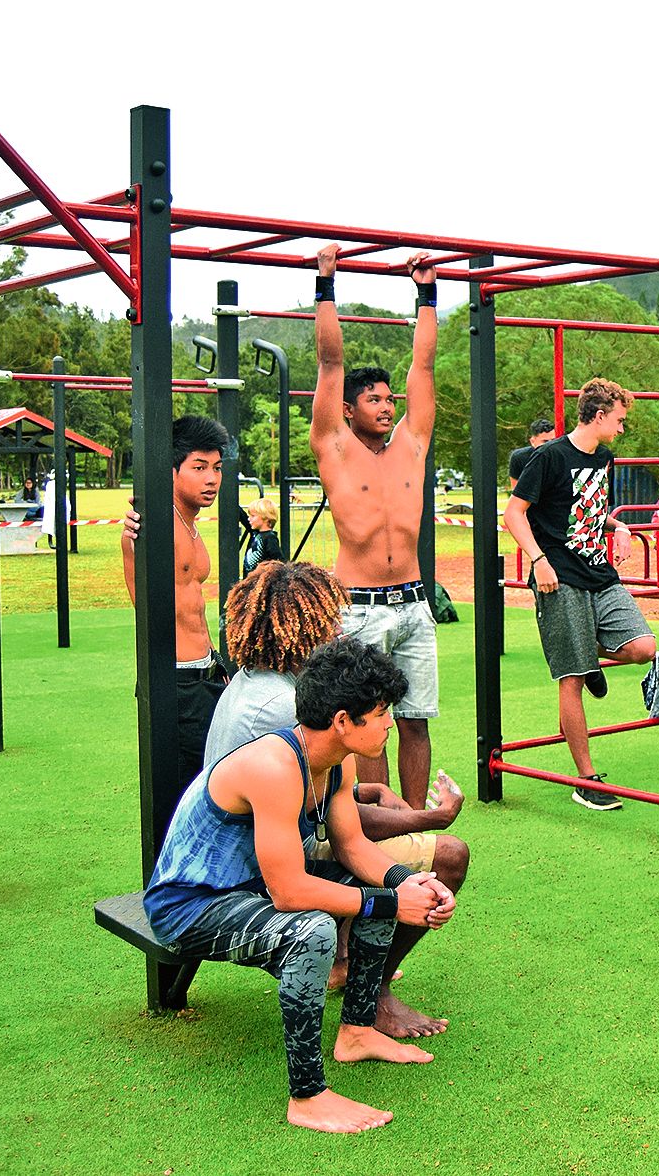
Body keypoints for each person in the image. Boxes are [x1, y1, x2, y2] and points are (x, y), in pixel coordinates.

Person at [144, 637, 455, 1134]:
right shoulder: (275, 766)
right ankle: (307, 1096)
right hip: (191, 906)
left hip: (251, 889)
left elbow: (353, 847)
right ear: (341, 721)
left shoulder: (335, 759)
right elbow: (290, 893)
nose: (390, 724)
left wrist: (408, 882)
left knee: (374, 891)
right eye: (379, 714)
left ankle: (356, 1031)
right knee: (312, 930)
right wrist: (394, 902)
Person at [205, 560, 471, 1039]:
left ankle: (348, 964)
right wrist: (429, 817)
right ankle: (374, 998)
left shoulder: (259, 681)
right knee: (446, 857)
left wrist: (370, 791)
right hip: (253, 873)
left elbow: (324, 800)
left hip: (265, 849)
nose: (336, 630)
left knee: (387, 869)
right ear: (304, 626)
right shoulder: (284, 708)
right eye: (329, 619)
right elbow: (340, 832)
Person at [310, 242, 440, 809]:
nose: (387, 407)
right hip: (357, 605)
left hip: (413, 603)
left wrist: (427, 293)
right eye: (374, 400)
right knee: (369, 725)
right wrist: (326, 284)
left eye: (391, 399)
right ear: (347, 408)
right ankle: (374, 829)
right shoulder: (334, 447)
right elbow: (330, 364)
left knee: (415, 722)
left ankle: (415, 822)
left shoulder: (411, 446)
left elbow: (424, 367)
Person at [504, 378, 658, 812]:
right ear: (599, 415)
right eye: (620, 420)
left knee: (644, 646)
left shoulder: (605, 459)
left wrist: (621, 527)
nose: (623, 428)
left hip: (598, 571)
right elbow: (514, 514)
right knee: (570, 676)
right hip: (559, 575)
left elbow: (587, 510)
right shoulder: (548, 457)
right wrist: (538, 560)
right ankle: (586, 778)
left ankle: (587, 657)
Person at [122, 414, 231, 800]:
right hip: (177, 681)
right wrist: (136, 528)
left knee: (215, 782)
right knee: (188, 793)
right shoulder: (154, 524)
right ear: (171, 471)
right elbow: (144, 594)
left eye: (216, 468)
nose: (212, 479)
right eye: (198, 468)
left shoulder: (189, 523)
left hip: (204, 672)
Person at [507, 416, 557, 491]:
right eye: (545, 442)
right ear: (533, 441)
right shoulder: (519, 457)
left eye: (553, 441)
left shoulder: (561, 455)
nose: (549, 445)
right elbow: (516, 490)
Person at [242, 497, 285, 575]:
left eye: (253, 516)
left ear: (266, 518)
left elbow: (278, 561)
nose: (249, 519)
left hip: (260, 581)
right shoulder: (256, 533)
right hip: (250, 581)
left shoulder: (270, 538)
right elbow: (243, 517)